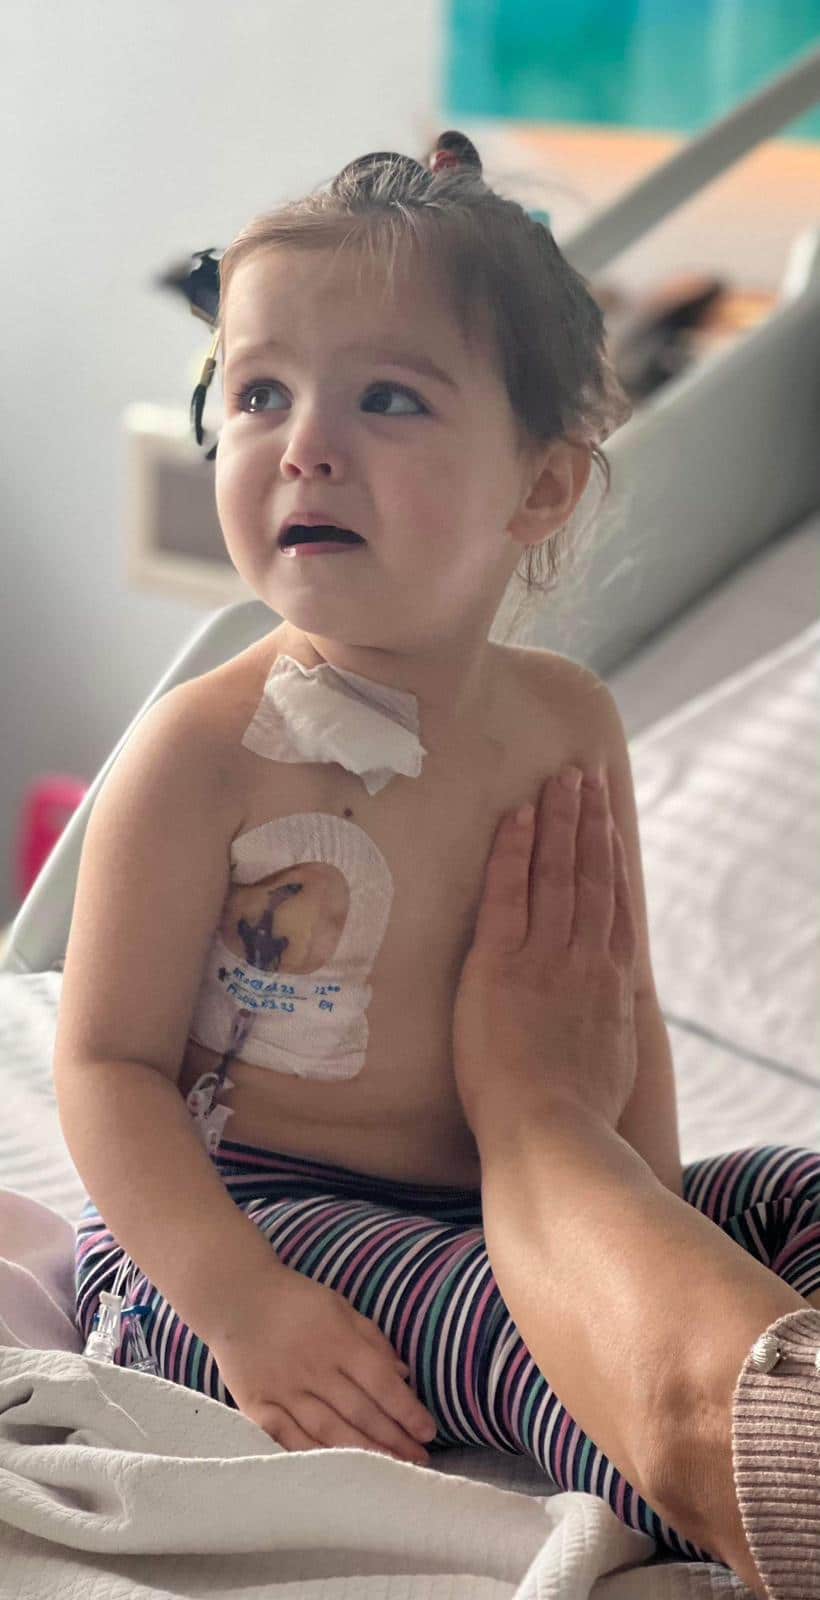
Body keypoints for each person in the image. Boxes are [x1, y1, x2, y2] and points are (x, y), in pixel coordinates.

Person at [54, 134, 819, 1594]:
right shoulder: (199, 755)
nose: (303, 445)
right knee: (520, 1327)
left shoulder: (567, 722)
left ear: (541, 489)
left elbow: (614, 1003)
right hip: (247, 1219)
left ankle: (734, 1366)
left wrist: (647, 1229)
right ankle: (690, 1473)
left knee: (792, 1189)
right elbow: (105, 1067)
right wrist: (242, 1306)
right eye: (259, 393)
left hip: (505, 1211)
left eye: (387, 398)